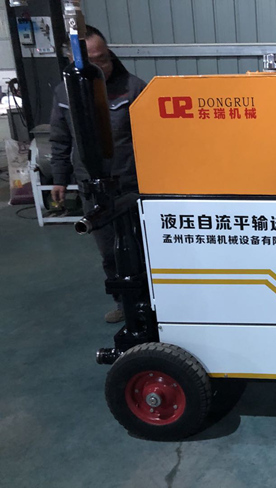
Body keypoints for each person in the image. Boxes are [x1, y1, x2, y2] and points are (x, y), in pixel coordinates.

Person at [49, 25, 147, 323]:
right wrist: (59, 178)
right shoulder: (64, 93)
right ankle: (124, 303)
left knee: (141, 246)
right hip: (92, 186)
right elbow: (60, 138)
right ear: (73, 60)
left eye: (104, 58)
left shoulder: (133, 88)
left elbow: (153, 137)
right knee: (109, 250)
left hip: (131, 183)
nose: (101, 65)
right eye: (92, 60)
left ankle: (150, 302)